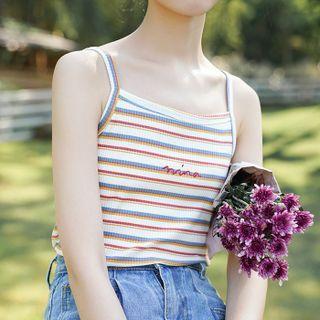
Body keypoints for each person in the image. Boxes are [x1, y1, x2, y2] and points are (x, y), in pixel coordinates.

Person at [43, 0, 267, 319]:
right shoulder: (88, 72)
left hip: (198, 305)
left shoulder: (240, 103)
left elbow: (250, 252)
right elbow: (83, 264)